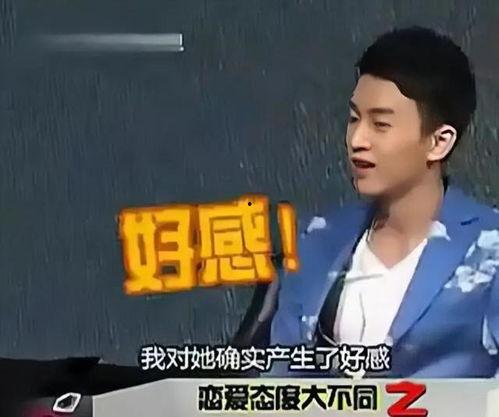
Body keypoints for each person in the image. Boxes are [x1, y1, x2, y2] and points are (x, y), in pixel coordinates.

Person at [234, 26, 499, 378]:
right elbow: (281, 378)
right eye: (354, 118)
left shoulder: (490, 248)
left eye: (380, 124)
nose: (357, 139)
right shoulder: (317, 238)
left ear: (439, 142)